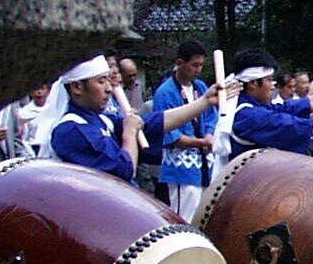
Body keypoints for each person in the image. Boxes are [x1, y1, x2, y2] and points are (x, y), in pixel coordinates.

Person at [35, 55, 231, 188]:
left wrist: (204, 102)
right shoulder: (71, 130)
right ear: (77, 87)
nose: (109, 89)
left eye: (108, 82)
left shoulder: (101, 119)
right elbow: (124, 169)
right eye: (101, 82)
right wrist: (129, 133)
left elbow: (152, 123)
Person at [227, 48, 313, 159]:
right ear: (252, 83)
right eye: (269, 80)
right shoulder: (250, 116)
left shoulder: (258, 107)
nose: (273, 87)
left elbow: (307, 103)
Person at [154, 40, 215, 222]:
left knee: (204, 215)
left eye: (201, 65)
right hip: (181, 166)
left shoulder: (201, 87)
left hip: (204, 161)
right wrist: (200, 142)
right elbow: (168, 132)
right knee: (184, 217)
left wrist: (209, 135)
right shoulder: (165, 93)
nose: (198, 70)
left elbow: (212, 116)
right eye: (194, 65)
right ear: (180, 63)